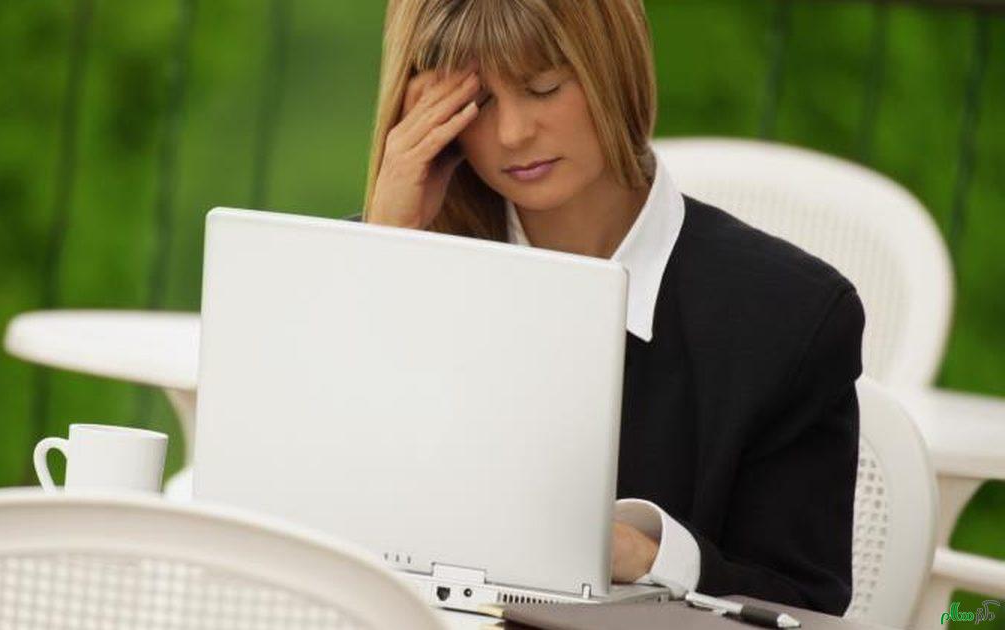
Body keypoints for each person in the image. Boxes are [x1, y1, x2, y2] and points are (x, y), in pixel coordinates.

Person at [360, 0, 865, 616]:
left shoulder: (790, 319)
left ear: (613, 69)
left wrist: (649, 557)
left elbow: (804, 609)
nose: (513, 133)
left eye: (543, 88)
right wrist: (385, 257)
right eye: (479, 103)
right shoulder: (376, 261)